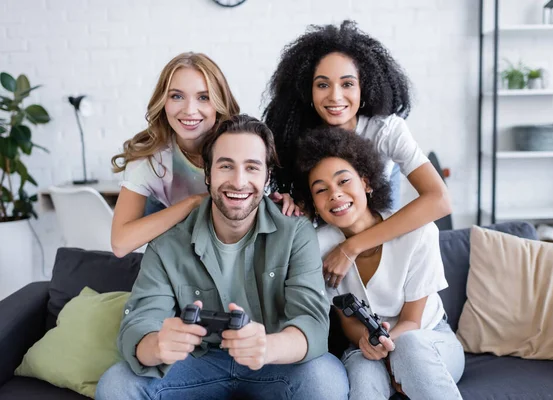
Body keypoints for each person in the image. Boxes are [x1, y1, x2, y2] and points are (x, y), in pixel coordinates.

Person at [96, 115, 349, 400]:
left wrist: (267, 346)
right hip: (196, 363)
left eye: (251, 168)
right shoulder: (168, 242)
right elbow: (139, 323)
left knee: (325, 379)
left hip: (273, 361)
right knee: (116, 384)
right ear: (208, 174)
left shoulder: (295, 233)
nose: (239, 182)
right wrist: (157, 345)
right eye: (226, 166)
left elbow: (313, 323)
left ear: (267, 176)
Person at [263, 20, 452, 289]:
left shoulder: (386, 131)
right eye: (322, 85)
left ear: (365, 87)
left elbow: (440, 200)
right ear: (308, 90)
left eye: (347, 83)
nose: (335, 96)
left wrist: (351, 247)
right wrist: (294, 204)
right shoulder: (294, 135)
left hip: (372, 220)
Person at [293, 126, 465, 400]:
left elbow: (412, 321)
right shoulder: (317, 246)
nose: (334, 194)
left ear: (367, 182)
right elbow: (346, 320)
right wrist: (368, 342)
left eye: (343, 181)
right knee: (362, 370)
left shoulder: (419, 232)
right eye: (321, 189)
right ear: (313, 203)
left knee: (407, 346)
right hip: (366, 345)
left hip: (426, 338)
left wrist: (389, 349)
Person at [109, 52, 240, 257]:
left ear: (219, 102)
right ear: (163, 101)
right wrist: (194, 202)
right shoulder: (151, 158)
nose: (189, 110)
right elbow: (120, 243)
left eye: (203, 97)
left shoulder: (242, 146)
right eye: (177, 96)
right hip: (181, 257)